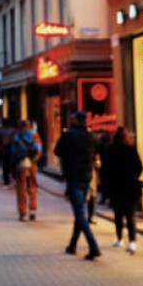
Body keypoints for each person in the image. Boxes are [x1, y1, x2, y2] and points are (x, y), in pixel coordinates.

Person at [54, 111, 101, 260]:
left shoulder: (69, 135)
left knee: (80, 214)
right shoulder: (91, 137)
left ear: (75, 120)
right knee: (79, 212)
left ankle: (93, 247)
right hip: (86, 177)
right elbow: (96, 154)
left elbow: (57, 151)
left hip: (73, 177)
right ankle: (72, 245)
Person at [103, 127, 143, 254]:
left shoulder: (110, 150)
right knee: (131, 216)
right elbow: (139, 167)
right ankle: (132, 241)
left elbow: (106, 170)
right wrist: (133, 177)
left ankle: (119, 238)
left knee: (118, 215)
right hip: (130, 188)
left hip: (116, 188)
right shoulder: (131, 150)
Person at [9, 120, 40, 221]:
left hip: (20, 164)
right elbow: (39, 150)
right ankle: (32, 209)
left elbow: (13, 151)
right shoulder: (34, 135)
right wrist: (32, 161)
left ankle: (23, 213)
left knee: (21, 188)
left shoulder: (17, 136)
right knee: (32, 187)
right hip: (31, 165)